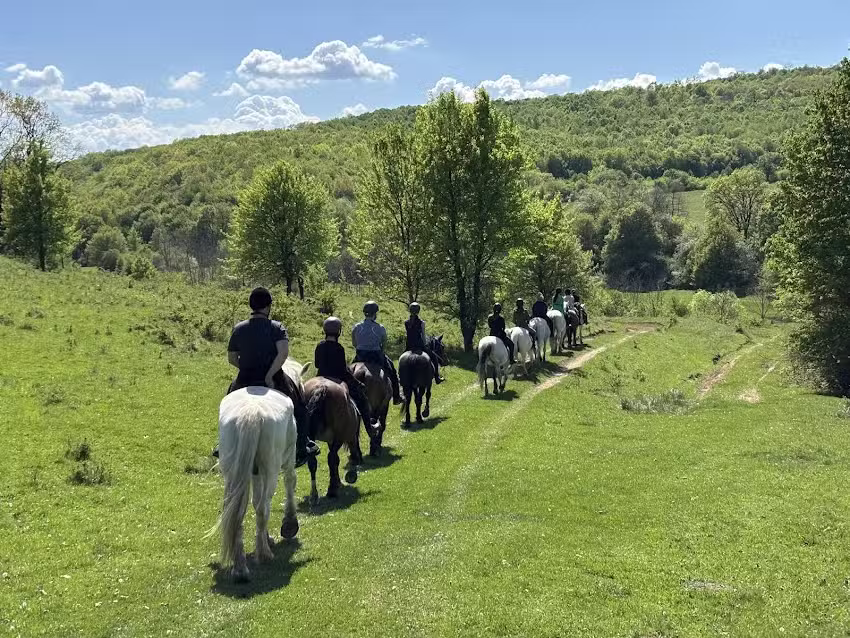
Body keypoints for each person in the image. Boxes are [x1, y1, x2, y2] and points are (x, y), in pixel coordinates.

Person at [221, 286, 319, 467]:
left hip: (245, 379)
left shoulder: (239, 328)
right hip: (275, 379)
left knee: (228, 402)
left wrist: (246, 368)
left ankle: (223, 444)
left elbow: (231, 357)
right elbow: (282, 354)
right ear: (268, 306)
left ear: (251, 305)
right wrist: (269, 375)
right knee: (300, 409)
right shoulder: (277, 327)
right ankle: (303, 445)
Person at [314, 316, 372, 425]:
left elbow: (317, 365)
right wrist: (357, 383)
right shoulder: (339, 348)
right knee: (361, 398)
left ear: (325, 330)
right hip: (337, 379)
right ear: (339, 332)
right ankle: (370, 427)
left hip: (320, 376)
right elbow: (342, 370)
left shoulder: (319, 346)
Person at [352, 301, 402, 405]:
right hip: (376, 356)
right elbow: (383, 345)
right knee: (392, 372)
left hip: (361, 356)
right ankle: (397, 397)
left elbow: (354, 343)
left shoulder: (356, 327)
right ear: (375, 313)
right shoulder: (380, 328)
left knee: (348, 373)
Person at [405, 302, 444, 383]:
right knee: (434, 358)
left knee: (401, 360)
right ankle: (437, 377)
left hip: (409, 347)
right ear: (418, 311)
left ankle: (401, 377)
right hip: (419, 346)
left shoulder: (406, 322)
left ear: (410, 311)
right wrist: (425, 345)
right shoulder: (421, 323)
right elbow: (423, 335)